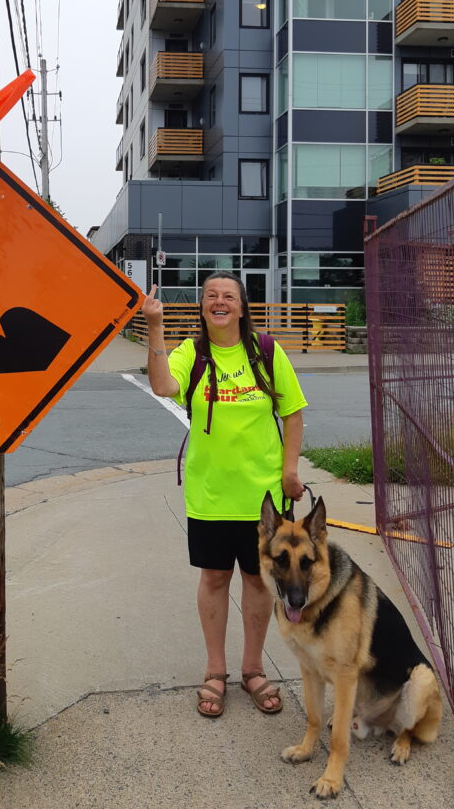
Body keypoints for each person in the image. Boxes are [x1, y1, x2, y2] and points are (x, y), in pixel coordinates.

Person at [142, 271, 306, 717]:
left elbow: (293, 413)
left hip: (265, 501)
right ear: (201, 306)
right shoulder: (189, 353)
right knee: (214, 580)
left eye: (228, 296)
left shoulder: (266, 351)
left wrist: (290, 471)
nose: (219, 301)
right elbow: (162, 386)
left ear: (241, 305)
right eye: (211, 295)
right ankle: (216, 671)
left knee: (257, 581)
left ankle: (253, 668)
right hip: (210, 495)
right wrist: (155, 325)